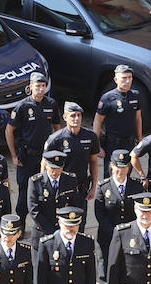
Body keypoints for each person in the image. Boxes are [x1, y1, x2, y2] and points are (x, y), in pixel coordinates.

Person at [7, 72, 60, 219]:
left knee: (45, 190)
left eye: (43, 86)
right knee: (24, 191)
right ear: (30, 87)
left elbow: (57, 128)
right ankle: (21, 223)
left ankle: (43, 224)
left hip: (46, 156)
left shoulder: (51, 104)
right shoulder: (23, 107)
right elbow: (9, 130)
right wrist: (13, 155)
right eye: (38, 86)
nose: (41, 89)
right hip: (27, 156)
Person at [94, 149, 138, 284]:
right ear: (111, 166)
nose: (120, 170)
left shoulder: (136, 186)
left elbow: (137, 213)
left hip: (129, 239)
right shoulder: (103, 187)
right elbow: (100, 214)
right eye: (117, 167)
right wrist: (115, 233)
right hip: (106, 238)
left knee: (124, 273)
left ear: (129, 168)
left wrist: (126, 234)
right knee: (105, 273)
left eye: (124, 167)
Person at [93, 66, 145, 177]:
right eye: (124, 78)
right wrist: (97, 146)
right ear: (116, 79)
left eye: (130, 77)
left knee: (127, 173)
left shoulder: (135, 95)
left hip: (130, 143)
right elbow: (97, 121)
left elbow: (138, 118)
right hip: (112, 144)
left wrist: (140, 139)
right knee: (111, 175)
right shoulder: (107, 98)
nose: (127, 81)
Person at [44, 102, 101, 201]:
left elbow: (94, 161)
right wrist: (45, 188)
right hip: (60, 188)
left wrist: (94, 186)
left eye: (79, 115)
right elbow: (44, 164)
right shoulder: (55, 139)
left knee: (80, 216)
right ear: (65, 117)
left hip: (81, 188)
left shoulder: (90, 136)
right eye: (73, 115)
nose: (76, 118)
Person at [26, 150, 81, 237]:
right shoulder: (36, 182)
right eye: (52, 168)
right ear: (46, 165)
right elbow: (34, 210)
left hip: (64, 231)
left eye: (58, 169)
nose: (55, 172)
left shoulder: (70, 180)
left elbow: (75, 205)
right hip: (42, 231)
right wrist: (51, 231)